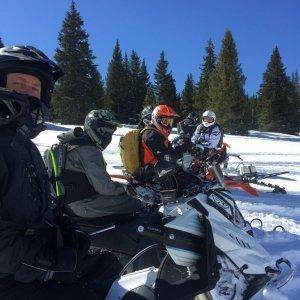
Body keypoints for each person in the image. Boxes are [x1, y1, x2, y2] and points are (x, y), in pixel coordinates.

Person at [0, 45, 121, 299]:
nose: (29, 94)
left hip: (30, 260)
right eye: (19, 84)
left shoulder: (26, 147)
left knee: (108, 266)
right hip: (11, 277)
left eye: (35, 88)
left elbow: (36, 205)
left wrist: (62, 229)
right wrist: (47, 264)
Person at [44, 109, 142, 219]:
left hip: (66, 203)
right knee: (137, 204)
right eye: (104, 131)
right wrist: (128, 189)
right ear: (93, 127)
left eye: (110, 133)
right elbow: (105, 187)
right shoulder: (88, 149)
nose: (107, 137)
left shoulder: (71, 143)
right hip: (82, 204)